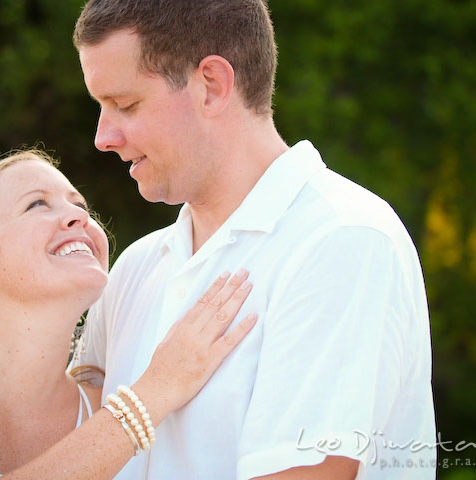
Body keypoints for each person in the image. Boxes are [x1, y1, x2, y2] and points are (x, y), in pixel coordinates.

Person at [72, 1, 437, 479]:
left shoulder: (341, 240)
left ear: (211, 86)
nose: (103, 137)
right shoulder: (136, 267)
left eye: (125, 104)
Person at [0, 150, 258, 479]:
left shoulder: (104, 406)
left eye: (80, 205)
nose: (79, 216)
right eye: (38, 205)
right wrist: (154, 393)